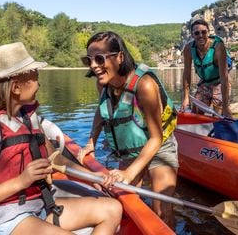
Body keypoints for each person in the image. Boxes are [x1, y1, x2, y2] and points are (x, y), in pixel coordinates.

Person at [0, 42, 122, 235]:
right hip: (5, 217)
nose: (39, 84)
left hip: (37, 205)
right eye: (35, 78)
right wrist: (22, 181)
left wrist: (92, 177)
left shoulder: (29, 120)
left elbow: (55, 158)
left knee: (113, 209)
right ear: (16, 87)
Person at [76, 31, 178, 227]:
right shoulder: (103, 84)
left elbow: (156, 138)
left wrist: (130, 174)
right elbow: (102, 110)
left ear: (120, 57)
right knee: (124, 203)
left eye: (99, 59)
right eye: (88, 60)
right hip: (130, 149)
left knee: (162, 211)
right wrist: (91, 141)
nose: (94, 66)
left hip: (159, 147)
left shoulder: (145, 85)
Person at [180, 19, 232, 118]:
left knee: (218, 116)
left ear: (208, 32)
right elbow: (187, 74)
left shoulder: (218, 47)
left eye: (204, 32)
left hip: (220, 82)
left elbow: (224, 77)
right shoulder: (188, 49)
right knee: (195, 112)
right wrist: (186, 97)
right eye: (197, 33)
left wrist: (225, 107)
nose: (200, 35)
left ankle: (224, 125)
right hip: (205, 82)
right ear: (192, 35)